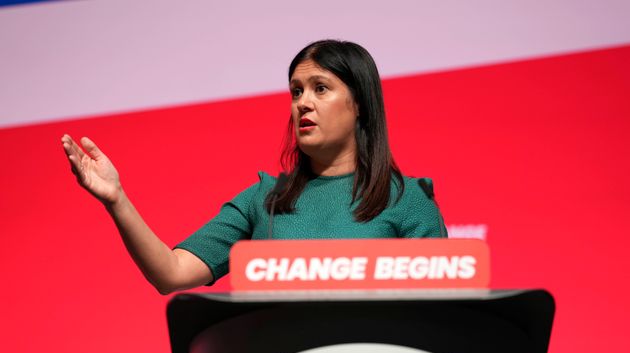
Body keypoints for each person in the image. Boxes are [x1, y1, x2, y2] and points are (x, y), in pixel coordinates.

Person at [61, 39, 447, 296]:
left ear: (360, 102)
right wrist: (117, 199)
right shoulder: (264, 199)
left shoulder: (406, 200)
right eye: (296, 91)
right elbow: (172, 274)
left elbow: (441, 318)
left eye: (321, 88)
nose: (303, 103)